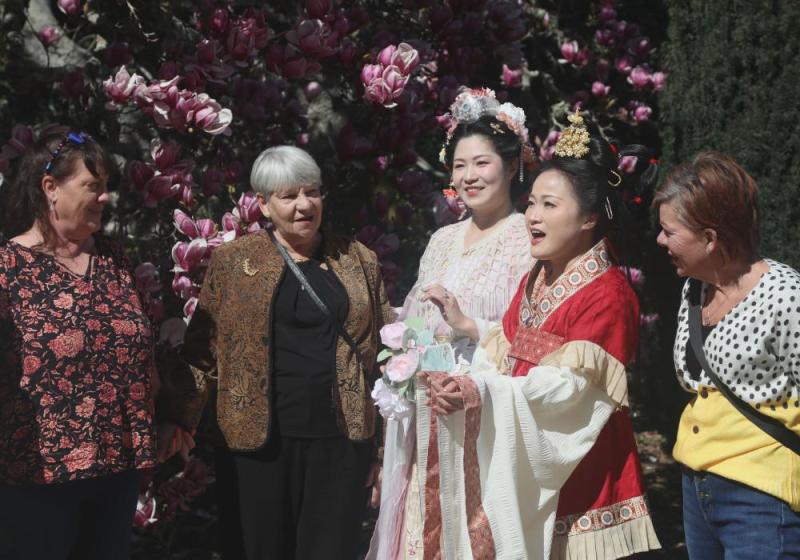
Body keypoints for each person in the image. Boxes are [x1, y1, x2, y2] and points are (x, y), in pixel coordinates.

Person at [421, 111, 661, 558]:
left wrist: (480, 393)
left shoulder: (609, 294)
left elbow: (570, 395)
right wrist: (465, 379)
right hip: (527, 469)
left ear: (589, 218)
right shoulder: (536, 278)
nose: (532, 215)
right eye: (532, 202)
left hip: (584, 474)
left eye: (550, 205)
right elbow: (503, 354)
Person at [161, 145, 393, 560]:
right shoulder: (234, 263)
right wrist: (177, 419)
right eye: (288, 196)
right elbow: (203, 353)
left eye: (312, 192)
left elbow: (385, 356)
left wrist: (384, 450)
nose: (304, 205)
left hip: (342, 443)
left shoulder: (359, 261)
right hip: (256, 446)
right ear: (264, 204)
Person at [367, 88, 534, 559]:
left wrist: (466, 324)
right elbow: (417, 323)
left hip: (484, 407)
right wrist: (406, 370)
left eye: (481, 163)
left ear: (512, 166)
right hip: (426, 407)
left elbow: (530, 334)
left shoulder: (527, 238)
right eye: (460, 166)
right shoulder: (441, 238)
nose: (468, 176)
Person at [0, 131, 159, 560]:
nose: (105, 197)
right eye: (93, 185)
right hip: (38, 476)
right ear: (50, 187)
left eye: (106, 186)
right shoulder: (8, 268)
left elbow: (145, 349)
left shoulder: (113, 259)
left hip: (117, 470)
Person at [654, 151, 800, 559]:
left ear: (710, 238)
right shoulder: (695, 286)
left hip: (762, 497)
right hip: (697, 485)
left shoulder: (786, 296)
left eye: (669, 231)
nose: (660, 241)